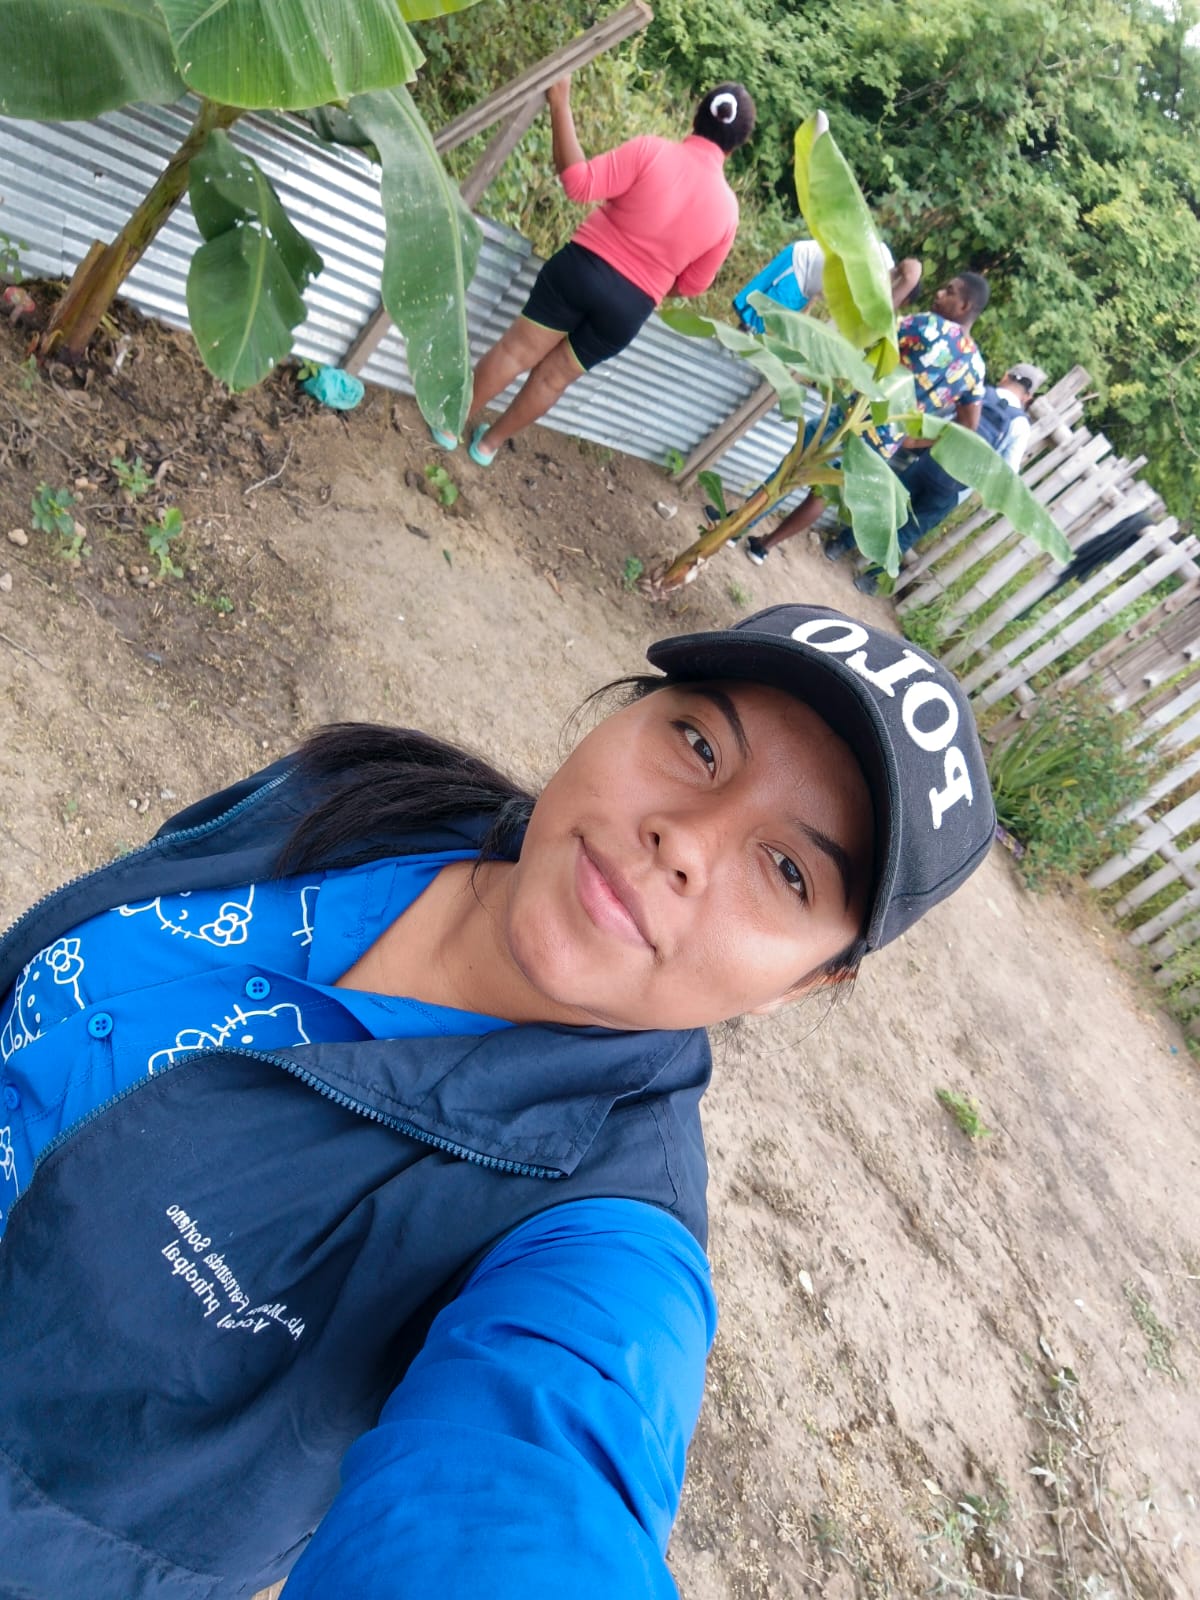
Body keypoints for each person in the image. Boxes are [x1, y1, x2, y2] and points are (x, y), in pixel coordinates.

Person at [0, 604, 995, 1599]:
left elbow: (535, 1480)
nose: (685, 838)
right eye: (700, 744)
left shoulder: (601, 1232)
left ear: (806, 983)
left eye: (787, 869)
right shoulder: (366, 797)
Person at [438, 75, 755, 467]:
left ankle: (450, 424)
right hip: (629, 308)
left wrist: (560, 103)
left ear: (697, 114)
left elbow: (578, 183)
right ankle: (488, 445)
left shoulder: (652, 151)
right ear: (736, 145)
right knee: (553, 379)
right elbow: (691, 285)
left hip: (581, 270)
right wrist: (648, 281)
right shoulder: (728, 212)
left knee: (516, 351)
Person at [743, 272, 990, 565]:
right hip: (884, 443)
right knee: (822, 493)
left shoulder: (930, 326)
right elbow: (969, 426)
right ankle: (764, 546)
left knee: (791, 469)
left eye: (949, 291)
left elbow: (876, 332)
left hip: (855, 415)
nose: (939, 293)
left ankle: (737, 526)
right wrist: (914, 440)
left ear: (964, 306)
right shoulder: (976, 368)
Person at [848, 361, 1047, 595]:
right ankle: (869, 578)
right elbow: (1008, 471)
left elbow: (943, 418)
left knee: (886, 504)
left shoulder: (980, 394)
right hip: (954, 489)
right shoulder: (1020, 425)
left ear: (1006, 376)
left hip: (930, 463)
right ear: (1028, 397)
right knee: (911, 530)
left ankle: (841, 545)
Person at [732, 237, 922, 332]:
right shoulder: (882, 258)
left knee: (761, 326)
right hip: (799, 267)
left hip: (806, 287)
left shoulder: (874, 296)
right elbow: (911, 269)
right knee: (755, 322)